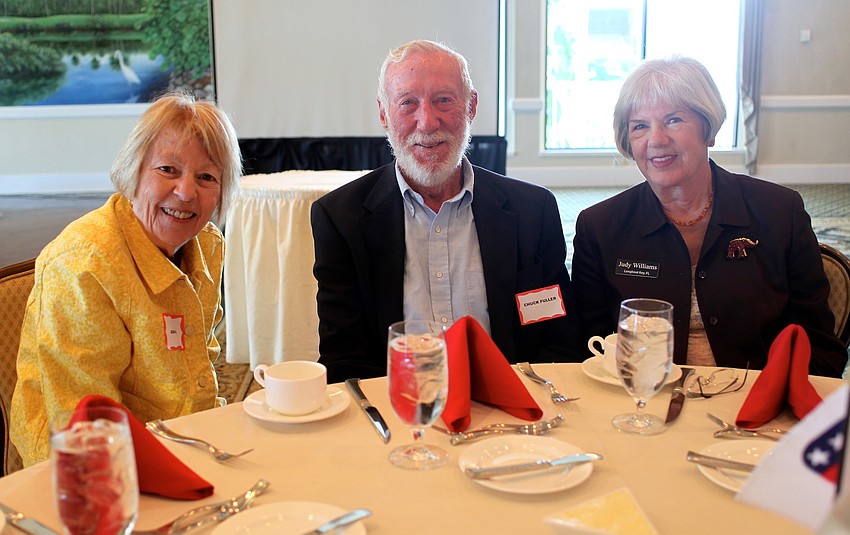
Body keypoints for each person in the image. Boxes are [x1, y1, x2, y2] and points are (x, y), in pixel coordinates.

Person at [311, 40, 581, 383]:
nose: (427, 122)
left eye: (444, 100)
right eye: (408, 103)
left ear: (470, 107)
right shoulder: (341, 218)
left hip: (512, 401)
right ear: (383, 114)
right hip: (402, 408)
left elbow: (558, 339)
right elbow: (345, 360)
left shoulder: (532, 211)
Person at [571, 56, 847, 377]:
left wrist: (771, 403)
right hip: (642, 405)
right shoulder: (600, 227)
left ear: (708, 128)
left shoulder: (779, 212)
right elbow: (587, 349)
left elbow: (819, 345)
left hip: (755, 405)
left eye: (674, 120)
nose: (656, 140)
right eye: (640, 126)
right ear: (628, 141)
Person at [11, 91, 242, 466]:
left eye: (206, 177)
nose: (186, 192)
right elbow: (85, 420)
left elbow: (199, 363)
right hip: (89, 468)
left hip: (182, 442)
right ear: (133, 170)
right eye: (167, 169)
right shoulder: (84, 266)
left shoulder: (206, 244)